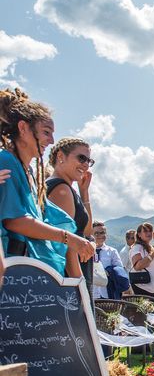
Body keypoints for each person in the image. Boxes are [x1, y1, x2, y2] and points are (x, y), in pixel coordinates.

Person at [0, 88, 93, 276]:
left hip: (27, 270)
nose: (51, 140)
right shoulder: (6, 162)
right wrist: (69, 238)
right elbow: (14, 221)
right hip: (12, 268)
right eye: (46, 132)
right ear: (23, 128)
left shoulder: (30, 173)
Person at [46, 137, 95, 290]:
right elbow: (66, 244)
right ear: (61, 156)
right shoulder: (61, 190)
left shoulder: (67, 189)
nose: (86, 164)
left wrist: (84, 193)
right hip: (69, 276)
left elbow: (87, 231)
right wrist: (79, 285)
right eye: (81, 158)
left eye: (89, 161)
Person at [91, 221, 128, 299]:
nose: (100, 235)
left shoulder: (112, 251)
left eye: (102, 233)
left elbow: (119, 269)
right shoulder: (87, 251)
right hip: (91, 292)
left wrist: (107, 272)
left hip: (107, 292)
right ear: (91, 234)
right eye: (96, 233)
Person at [129, 222, 154, 296]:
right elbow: (137, 266)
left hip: (152, 290)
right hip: (143, 288)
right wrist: (152, 255)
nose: (148, 233)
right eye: (145, 231)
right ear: (139, 234)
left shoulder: (150, 247)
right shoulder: (137, 247)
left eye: (150, 231)